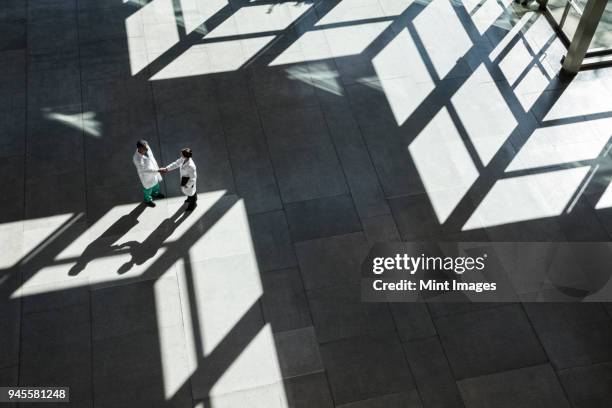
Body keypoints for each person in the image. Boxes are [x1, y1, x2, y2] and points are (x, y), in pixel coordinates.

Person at [133, 140, 165, 207]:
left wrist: (156, 170)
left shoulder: (145, 147)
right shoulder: (137, 159)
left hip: (153, 172)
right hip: (146, 177)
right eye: (145, 148)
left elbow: (150, 156)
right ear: (140, 148)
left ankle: (155, 194)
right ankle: (148, 200)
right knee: (148, 189)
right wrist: (158, 170)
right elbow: (145, 170)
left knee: (156, 185)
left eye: (147, 146)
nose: (147, 149)